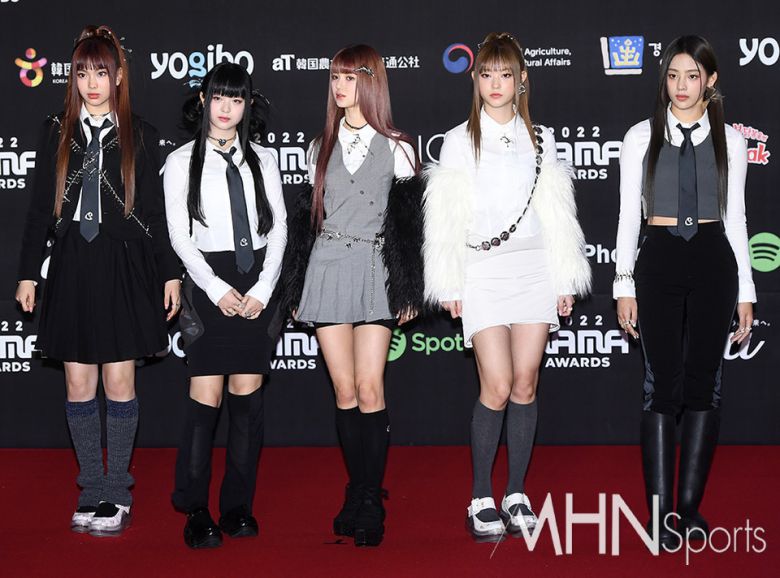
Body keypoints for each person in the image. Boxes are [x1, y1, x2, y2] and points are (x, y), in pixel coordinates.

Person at [423, 32, 591, 541]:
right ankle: (481, 495)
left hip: (535, 269)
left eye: (505, 74)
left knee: (525, 383)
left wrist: (564, 275)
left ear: (521, 80)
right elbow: (443, 220)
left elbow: (557, 215)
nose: (495, 83)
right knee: (495, 385)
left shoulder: (540, 139)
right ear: (475, 80)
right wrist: (448, 279)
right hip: (482, 272)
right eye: (486, 73)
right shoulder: (457, 141)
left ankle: (516, 492)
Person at [16, 24, 181, 536]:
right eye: (83, 73)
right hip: (71, 266)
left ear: (119, 77)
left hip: (124, 266)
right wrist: (27, 274)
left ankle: (117, 491)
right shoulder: (55, 132)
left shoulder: (141, 134)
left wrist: (170, 273)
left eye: (101, 73)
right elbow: (38, 210)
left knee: (119, 381)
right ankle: (90, 486)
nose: (92, 83)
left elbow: (155, 215)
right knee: (78, 382)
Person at [279, 44, 424, 547]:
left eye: (350, 76)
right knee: (343, 391)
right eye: (335, 78)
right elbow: (306, 222)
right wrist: (297, 282)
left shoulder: (400, 148)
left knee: (370, 388)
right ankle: (357, 490)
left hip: (377, 269)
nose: (340, 87)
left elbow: (409, 226)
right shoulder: (319, 144)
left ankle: (369, 497)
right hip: (327, 266)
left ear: (372, 81)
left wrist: (408, 286)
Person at [614, 35, 756, 550]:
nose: (681, 86)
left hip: (715, 260)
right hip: (658, 259)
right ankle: (659, 517)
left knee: (705, 384)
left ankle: (689, 508)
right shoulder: (639, 137)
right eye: (673, 76)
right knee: (660, 385)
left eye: (692, 76)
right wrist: (623, 282)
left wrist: (746, 289)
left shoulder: (731, 141)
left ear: (710, 80)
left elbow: (737, 218)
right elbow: (628, 216)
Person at [163, 62, 287, 549]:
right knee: (205, 399)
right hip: (206, 281)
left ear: (247, 105)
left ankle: (238, 507)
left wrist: (263, 288)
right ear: (203, 100)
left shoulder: (265, 159)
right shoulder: (180, 162)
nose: (226, 108)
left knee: (247, 399)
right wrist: (215, 289)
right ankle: (195, 508)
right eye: (218, 97)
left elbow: (279, 229)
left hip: (256, 281)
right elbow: (179, 236)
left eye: (236, 99)